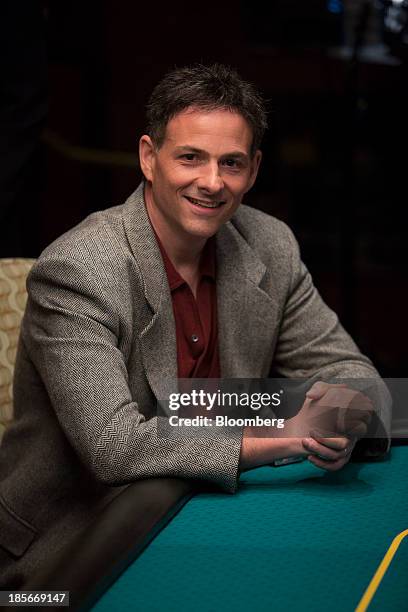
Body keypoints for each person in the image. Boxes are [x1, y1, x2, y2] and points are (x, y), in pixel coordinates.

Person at [0, 64, 387, 587]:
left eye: (231, 163)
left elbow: (349, 369)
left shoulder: (270, 245)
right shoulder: (79, 268)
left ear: (253, 170)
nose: (211, 182)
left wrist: (341, 413)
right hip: (69, 543)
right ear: (148, 158)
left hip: (202, 504)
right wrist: (286, 435)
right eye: (190, 157)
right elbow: (115, 445)